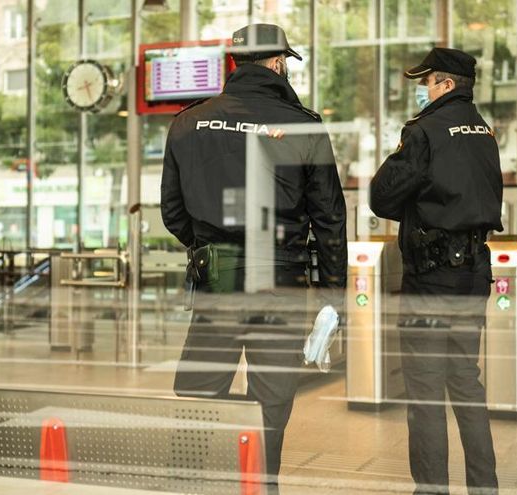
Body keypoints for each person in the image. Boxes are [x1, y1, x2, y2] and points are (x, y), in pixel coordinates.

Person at [161, 23, 347, 485]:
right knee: (271, 397)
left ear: (235, 63)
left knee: (202, 391)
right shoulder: (303, 125)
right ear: (279, 63)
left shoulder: (188, 121)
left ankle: (195, 485)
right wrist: (332, 293)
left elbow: (172, 211)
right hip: (279, 277)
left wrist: (209, 249)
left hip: (217, 276)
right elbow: (328, 218)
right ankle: (260, 486)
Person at [369, 47, 502, 494]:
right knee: (465, 381)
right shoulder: (484, 131)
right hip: (474, 273)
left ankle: (431, 490)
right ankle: (484, 487)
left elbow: (381, 196)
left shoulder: (425, 131)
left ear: (445, 84)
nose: (422, 90)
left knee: (425, 388)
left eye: (426, 82)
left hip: (431, 275)